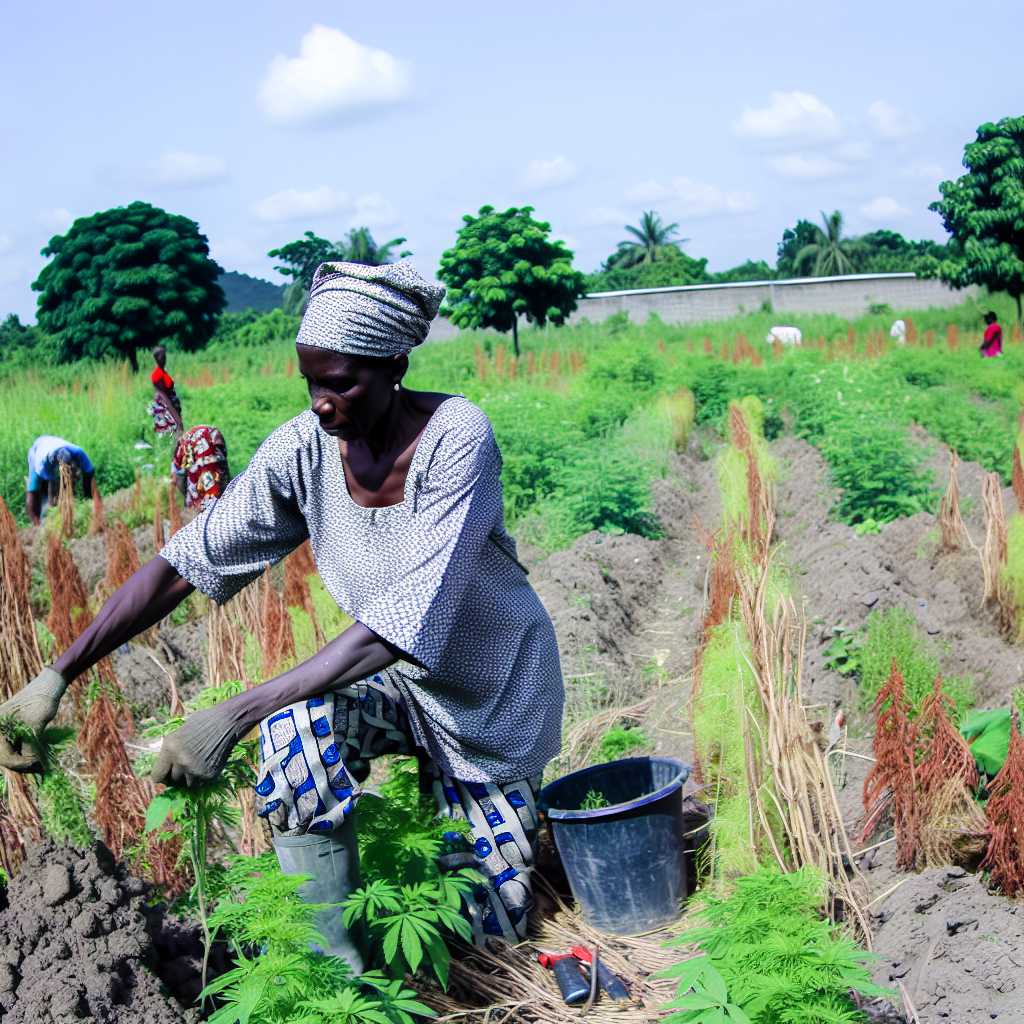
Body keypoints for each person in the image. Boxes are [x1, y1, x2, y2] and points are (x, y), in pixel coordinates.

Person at [0, 261, 564, 970]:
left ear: (395, 363)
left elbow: (405, 619)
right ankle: (333, 981)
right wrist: (57, 674)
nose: (323, 404)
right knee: (294, 730)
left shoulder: (457, 439)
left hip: (493, 697)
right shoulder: (306, 450)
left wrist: (232, 714)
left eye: (342, 382)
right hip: (400, 689)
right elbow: (185, 561)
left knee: (486, 946)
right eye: (312, 383)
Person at [24, 435, 94, 526]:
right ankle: (36, 524)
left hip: (52, 445)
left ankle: (67, 512)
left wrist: (88, 504)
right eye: (66, 471)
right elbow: (52, 492)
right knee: (33, 490)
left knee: (69, 486)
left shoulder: (80, 453)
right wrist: (54, 512)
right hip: (37, 451)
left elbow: (89, 476)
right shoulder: (43, 465)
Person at [171, 424, 230, 510]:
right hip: (217, 487)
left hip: (199, 496)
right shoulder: (212, 432)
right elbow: (223, 459)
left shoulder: (182, 445)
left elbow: (178, 478)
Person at [149, 345, 183, 435]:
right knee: (174, 436)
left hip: (171, 408)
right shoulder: (157, 375)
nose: (165, 359)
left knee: (176, 435)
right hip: (166, 411)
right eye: (162, 357)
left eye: (165, 356)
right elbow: (164, 398)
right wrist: (176, 418)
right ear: (156, 358)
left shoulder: (163, 372)